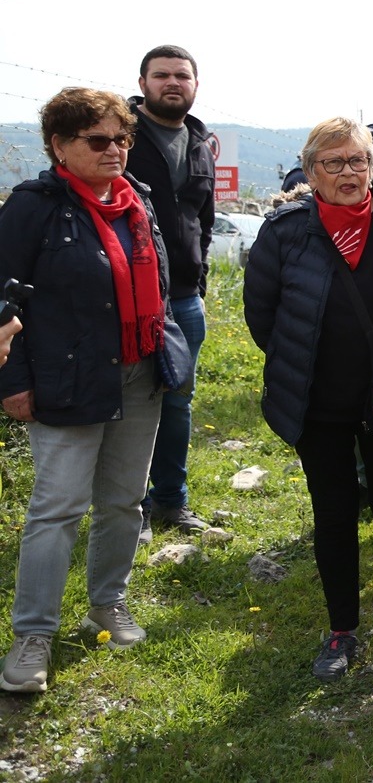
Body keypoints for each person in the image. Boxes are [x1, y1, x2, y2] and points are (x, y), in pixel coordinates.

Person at [242, 118, 373, 681]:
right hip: (318, 402)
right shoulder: (285, 231)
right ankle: (342, 631)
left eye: (357, 160)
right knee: (333, 514)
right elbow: (262, 317)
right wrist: (306, 363)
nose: (347, 173)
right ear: (310, 172)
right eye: (332, 163)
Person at [1, 88, 188, 694]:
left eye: (123, 139)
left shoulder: (140, 200)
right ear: (59, 145)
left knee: (123, 501)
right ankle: (34, 635)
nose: (115, 151)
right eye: (98, 140)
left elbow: (158, 282)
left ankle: (107, 604)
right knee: (56, 510)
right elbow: (4, 302)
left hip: (139, 372)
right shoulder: (33, 207)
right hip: (67, 379)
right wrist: (14, 382)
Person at [125, 44, 215, 543]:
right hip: (131, 298)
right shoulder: (121, 136)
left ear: (195, 85)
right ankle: (127, 508)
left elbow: (202, 218)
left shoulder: (200, 141)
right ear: (143, 83)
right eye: (162, 75)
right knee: (132, 401)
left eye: (182, 75)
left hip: (183, 298)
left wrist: (197, 282)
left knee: (178, 403)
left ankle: (169, 502)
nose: (172, 83)